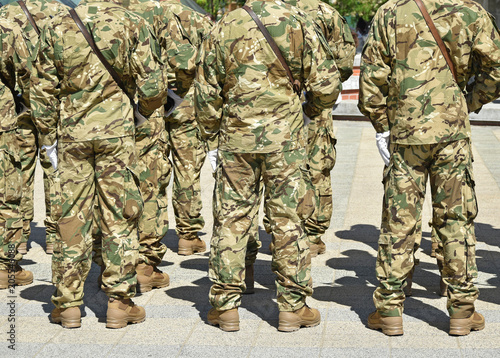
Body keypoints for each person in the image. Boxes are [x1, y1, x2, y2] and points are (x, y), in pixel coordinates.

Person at [195, 0, 341, 332]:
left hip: (237, 139)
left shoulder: (223, 26)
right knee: (288, 219)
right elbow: (327, 84)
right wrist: (306, 113)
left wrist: (212, 133)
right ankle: (292, 307)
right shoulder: (299, 21)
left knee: (232, 218)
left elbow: (205, 94)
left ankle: (226, 307)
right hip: (285, 140)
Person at [358, 0, 500, 336]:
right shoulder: (472, 12)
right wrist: (470, 102)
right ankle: (462, 311)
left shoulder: (391, 12)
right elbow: (495, 68)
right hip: (451, 132)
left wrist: (382, 123)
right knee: (455, 219)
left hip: (406, 133)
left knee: (399, 220)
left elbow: (372, 77)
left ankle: (390, 310)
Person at [30, 1, 167, 328]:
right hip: (117, 134)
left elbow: (40, 89)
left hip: (73, 136)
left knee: (72, 219)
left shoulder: (57, 24)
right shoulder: (132, 22)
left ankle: (68, 305)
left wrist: (49, 135)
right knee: (120, 216)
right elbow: (153, 85)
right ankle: (119, 303)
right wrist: (140, 116)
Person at [86, 0, 197, 294]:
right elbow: (185, 63)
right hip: (143, 113)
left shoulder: (83, 14)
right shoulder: (161, 11)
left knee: (106, 189)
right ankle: (144, 266)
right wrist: (172, 95)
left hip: (96, 118)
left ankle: (109, 267)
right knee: (148, 185)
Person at [0, 0, 66, 256]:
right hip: (53, 101)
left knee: (19, 169)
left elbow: (13, 69)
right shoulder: (60, 11)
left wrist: (21, 98)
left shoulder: (6, 13)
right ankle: (54, 235)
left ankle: (20, 234)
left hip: (20, 107)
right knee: (55, 167)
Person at [162, 0, 213, 256]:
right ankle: (187, 234)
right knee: (187, 168)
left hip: (147, 105)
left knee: (150, 171)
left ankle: (148, 233)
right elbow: (209, 63)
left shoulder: (136, 13)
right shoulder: (195, 17)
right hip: (185, 102)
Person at [0, 18, 33, 289]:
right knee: (6, 194)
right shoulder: (6, 28)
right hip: (1, 120)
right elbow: (24, 73)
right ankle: (6, 266)